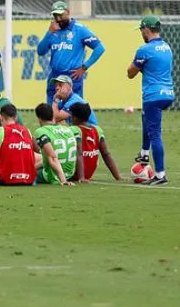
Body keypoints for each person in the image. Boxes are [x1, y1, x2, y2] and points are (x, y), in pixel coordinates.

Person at [128, 15, 175, 185]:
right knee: (145, 118)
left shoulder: (145, 50)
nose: (140, 32)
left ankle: (160, 174)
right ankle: (144, 153)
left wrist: (138, 68)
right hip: (168, 93)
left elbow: (130, 73)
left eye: (141, 29)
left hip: (153, 96)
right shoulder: (167, 47)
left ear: (146, 30)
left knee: (155, 133)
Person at [37, 0, 105, 103]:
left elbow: (99, 48)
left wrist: (84, 67)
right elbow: (40, 51)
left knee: (73, 111)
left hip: (72, 76)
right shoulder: (53, 31)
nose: (58, 19)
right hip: (55, 76)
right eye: (55, 15)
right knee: (52, 112)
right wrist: (49, 32)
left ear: (68, 12)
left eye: (61, 15)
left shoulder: (79, 29)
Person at [69, 103, 120, 182]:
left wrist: (81, 178)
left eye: (71, 116)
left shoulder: (74, 130)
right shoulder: (97, 130)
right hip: (89, 174)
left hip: (73, 174)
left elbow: (79, 152)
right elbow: (106, 154)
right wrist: (118, 177)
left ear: (75, 118)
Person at [32, 103, 77, 186]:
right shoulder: (67, 129)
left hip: (53, 176)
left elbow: (52, 158)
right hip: (70, 173)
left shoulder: (41, 131)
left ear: (39, 119)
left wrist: (63, 181)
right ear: (53, 115)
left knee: (23, 171)